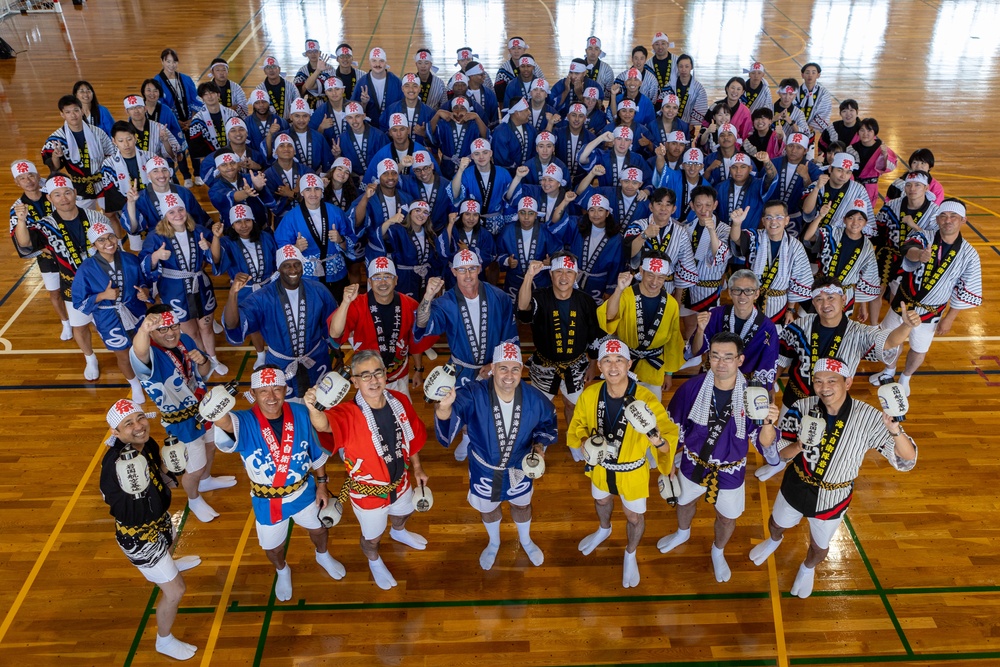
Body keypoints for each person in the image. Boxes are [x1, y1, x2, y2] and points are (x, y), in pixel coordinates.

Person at [748, 358, 917, 599]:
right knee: (776, 524)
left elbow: (907, 458)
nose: (823, 387)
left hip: (833, 496)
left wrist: (895, 430)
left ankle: (807, 568)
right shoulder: (802, 406)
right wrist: (798, 445)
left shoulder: (868, 417)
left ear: (847, 382)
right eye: (818, 381)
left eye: (831, 380)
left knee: (819, 546)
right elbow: (778, 455)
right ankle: (774, 542)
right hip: (796, 483)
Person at [211, 366, 346, 601]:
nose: (271, 397)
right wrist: (216, 402)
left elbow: (316, 452)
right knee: (272, 548)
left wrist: (322, 483)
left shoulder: (302, 413)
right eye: (263, 391)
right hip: (268, 501)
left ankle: (322, 554)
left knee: (319, 529)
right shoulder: (243, 421)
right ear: (253, 393)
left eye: (276, 389)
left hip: (304, 490)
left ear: (285, 389)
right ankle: (282, 569)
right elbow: (222, 422)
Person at [658, 332, 780, 582]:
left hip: (730, 469)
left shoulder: (753, 395)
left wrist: (768, 422)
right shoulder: (691, 388)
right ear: (708, 358)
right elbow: (674, 431)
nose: (721, 363)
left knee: (727, 517)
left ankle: (718, 549)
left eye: (728, 357)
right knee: (684, 502)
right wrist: (669, 464)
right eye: (715, 356)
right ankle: (683, 533)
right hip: (693, 462)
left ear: (740, 359)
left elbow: (764, 442)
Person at [304, 350, 430, 590]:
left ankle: (399, 531)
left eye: (377, 373)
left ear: (385, 374)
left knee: (405, 512)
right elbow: (325, 424)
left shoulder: (399, 400)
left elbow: (411, 436)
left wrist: (417, 468)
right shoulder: (347, 413)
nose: (373, 380)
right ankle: (373, 560)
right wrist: (314, 409)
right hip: (368, 493)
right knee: (371, 538)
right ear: (354, 381)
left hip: (401, 481)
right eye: (365, 375)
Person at [434, 341, 558, 570]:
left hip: (519, 467)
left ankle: (526, 539)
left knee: (521, 505)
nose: (509, 375)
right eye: (503, 368)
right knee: (488, 508)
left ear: (522, 370)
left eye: (515, 369)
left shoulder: (534, 398)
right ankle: (494, 542)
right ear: (493, 368)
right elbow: (453, 412)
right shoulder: (473, 393)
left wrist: (539, 447)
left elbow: (548, 425)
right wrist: (444, 408)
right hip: (484, 469)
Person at [568, 338, 679, 587]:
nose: (613, 366)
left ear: (629, 364)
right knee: (601, 500)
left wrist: (659, 442)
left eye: (619, 360)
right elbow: (577, 425)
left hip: (632, 469)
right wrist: (586, 440)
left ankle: (630, 552)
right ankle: (604, 528)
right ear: (599, 366)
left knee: (634, 517)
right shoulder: (590, 394)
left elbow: (668, 436)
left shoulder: (645, 398)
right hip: (601, 465)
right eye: (607, 360)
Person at [100, 398, 201, 660]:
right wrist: (136, 493)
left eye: (140, 418)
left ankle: (169, 562)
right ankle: (164, 641)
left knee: (171, 540)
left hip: (159, 519)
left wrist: (170, 467)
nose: (138, 426)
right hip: (138, 535)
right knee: (176, 590)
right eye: (128, 423)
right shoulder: (114, 465)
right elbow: (115, 504)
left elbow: (158, 470)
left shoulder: (146, 444)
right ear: (116, 432)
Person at [130, 306, 236, 523]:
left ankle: (206, 480)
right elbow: (138, 351)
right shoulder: (148, 354)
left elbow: (204, 374)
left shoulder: (185, 340)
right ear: (151, 332)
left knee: (211, 446)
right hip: (180, 421)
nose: (171, 333)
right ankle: (194, 498)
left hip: (205, 408)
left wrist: (203, 361)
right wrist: (142, 330)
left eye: (174, 326)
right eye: (162, 330)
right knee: (194, 467)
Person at [869, 200, 983, 395]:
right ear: (937, 219)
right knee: (890, 338)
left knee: (919, 347)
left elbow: (963, 290)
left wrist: (949, 318)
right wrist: (919, 254)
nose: (948, 220)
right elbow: (908, 248)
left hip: (931, 310)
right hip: (903, 302)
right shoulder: (924, 236)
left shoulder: (969, 255)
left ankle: (906, 378)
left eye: (953, 217)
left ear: (964, 220)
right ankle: (888, 370)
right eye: (944, 216)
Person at [414, 250, 519, 459]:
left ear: (479, 269)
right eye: (462, 270)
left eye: (472, 268)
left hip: (493, 366)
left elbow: (510, 336)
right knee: (461, 407)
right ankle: (467, 437)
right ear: (454, 271)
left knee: (491, 407)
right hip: (461, 367)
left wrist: (497, 365)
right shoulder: (446, 302)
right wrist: (427, 296)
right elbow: (422, 323)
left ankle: (486, 441)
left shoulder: (499, 297)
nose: (468, 274)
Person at [10, 174, 114, 379]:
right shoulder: (45, 226)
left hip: (103, 281)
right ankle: (90, 358)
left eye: (67, 192)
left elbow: (113, 244)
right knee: (80, 325)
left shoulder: (96, 218)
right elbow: (25, 244)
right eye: (57, 194)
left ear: (75, 193)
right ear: (50, 198)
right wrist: (21, 221)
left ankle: (113, 342)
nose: (64, 198)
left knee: (110, 317)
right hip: (72, 285)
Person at [223, 245, 339, 399]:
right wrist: (233, 293)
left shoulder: (318, 290)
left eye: (297, 264)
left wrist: (336, 348)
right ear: (278, 268)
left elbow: (331, 324)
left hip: (317, 360)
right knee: (289, 411)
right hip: (281, 364)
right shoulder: (262, 297)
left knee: (322, 403)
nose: (293, 270)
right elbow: (233, 325)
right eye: (287, 265)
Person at [140, 195, 227, 376]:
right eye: (171, 211)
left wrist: (209, 245)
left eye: (180, 209)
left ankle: (213, 357)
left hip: (200, 284)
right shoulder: (155, 237)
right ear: (165, 215)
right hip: (174, 288)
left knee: (206, 326)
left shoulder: (199, 231)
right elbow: (144, 264)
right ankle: (203, 359)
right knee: (191, 331)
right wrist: (156, 256)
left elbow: (217, 259)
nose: (178, 214)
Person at [517, 254, 603, 430]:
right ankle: (541, 445)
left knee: (573, 405)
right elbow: (523, 308)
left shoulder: (585, 301)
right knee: (540, 408)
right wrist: (529, 276)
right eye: (559, 272)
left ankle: (573, 441)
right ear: (551, 274)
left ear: (576, 274)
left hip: (576, 365)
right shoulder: (540, 297)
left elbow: (595, 335)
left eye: (569, 272)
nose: (564, 277)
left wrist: (593, 364)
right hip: (544, 365)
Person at [330, 257, 438, 395]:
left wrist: (418, 369)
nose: (382, 282)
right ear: (369, 281)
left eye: (387, 276)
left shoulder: (410, 305)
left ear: (396, 280)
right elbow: (335, 333)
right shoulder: (356, 305)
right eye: (376, 277)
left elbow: (415, 341)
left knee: (402, 414)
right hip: (367, 378)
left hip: (398, 376)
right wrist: (345, 303)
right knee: (368, 416)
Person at [71, 221, 151, 402]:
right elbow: (78, 301)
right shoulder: (86, 269)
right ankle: (135, 385)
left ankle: (149, 379)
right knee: (122, 353)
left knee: (144, 347)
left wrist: (145, 292)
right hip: (108, 317)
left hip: (134, 310)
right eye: (101, 240)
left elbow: (144, 282)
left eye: (111, 237)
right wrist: (101, 296)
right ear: (94, 245)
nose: (108, 242)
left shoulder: (130, 259)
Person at [599, 257, 685, 400]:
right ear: (641, 271)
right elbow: (609, 316)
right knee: (621, 409)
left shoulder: (671, 304)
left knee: (651, 413)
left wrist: (669, 374)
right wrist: (619, 290)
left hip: (654, 368)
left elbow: (673, 342)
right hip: (625, 363)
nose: (654, 282)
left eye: (660, 277)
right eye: (650, 275)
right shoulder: (626, 294)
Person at [8, 159, 71, 340]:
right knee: (54, 291)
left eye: (31, 175)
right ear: (17, 182)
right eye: (22, 178)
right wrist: (21, 220)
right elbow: (22, 241)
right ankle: (65, 322)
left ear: (38, 176)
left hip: (69, 246)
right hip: (46, 255)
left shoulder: (54, 194)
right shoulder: (17, 208)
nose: (28, 181)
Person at [209, 206, 278, 369]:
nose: (244, 225)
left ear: (253, 221)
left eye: (247, 220)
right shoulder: (227, 242)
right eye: (238, 222)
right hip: (245, 290)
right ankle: (261, 354)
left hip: (268, 286)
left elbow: (276, 259)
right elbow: (217, 260)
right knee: (253, 324)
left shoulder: (266, 237)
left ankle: (276, 351)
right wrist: (216, 238)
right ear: (232, 225)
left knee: (273, 320)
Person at [688, 270, 781, 390]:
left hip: (746, 385)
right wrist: (700, 330)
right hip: (713, 378)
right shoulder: (715, 315)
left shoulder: (767, 328)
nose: (742, 296)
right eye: (737, 290)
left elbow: (767, 367)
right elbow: (696, 351)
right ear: (730, 293)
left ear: (757, 294)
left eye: (748, 291)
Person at [728, 201, 813, 325]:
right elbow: (737, 238)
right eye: (769, 218)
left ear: (787, 220)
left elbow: (797, 280)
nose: (773, 222)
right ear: (763, 221)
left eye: (779, 217)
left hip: (778, 303)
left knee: (772, 337)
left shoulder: (795, 247)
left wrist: (790, 309)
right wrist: (736, 224)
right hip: (751, 298)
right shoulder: (755, 237)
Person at [871, 171, 939, 325]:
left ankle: (892, 329)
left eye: (917, 185)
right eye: (908, 185)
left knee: (898, 297)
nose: (912, 189)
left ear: (926, 188)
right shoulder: (891, 206)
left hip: (912, 259)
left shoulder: (934, 212)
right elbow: (878, 231)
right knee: (876, 292)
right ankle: (873, 327)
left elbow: (933, 239)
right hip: (887, 255)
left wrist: (914, 226)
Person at [274, 173, 354, 301]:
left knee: (337, 308)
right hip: (307, 275)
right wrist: (295, 248)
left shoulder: (336, 212)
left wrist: (340, 239)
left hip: (335, 271)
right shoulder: (290, 218)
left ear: (322, 191)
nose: (313, 193)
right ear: (302, 192)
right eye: (308, 189)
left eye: (317, 189)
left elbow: (350, 244)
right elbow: (281, 249)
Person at [802, 199, 881, 319]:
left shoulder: (867, 246)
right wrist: (820, 216)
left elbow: (865, 276)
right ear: (844, 219)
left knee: (838, 329)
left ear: (865, 223)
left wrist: (863, 306)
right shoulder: (832, 233)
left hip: (845, 294)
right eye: (851, 218)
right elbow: (808, 237)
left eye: (860, 219)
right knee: (810, 322)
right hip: (821, 288)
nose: (855, 222)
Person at [121, 156, 210, 251]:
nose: (161, 175)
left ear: (170, 172)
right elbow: (133, 229)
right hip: (159, 246)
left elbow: (199, 219)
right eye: (155, 171)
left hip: (188, 241)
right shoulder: (141, 198)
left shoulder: (184, 192)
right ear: (148, 176)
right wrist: (131, 203)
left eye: (164, 170)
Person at [41, 95, 116, 208]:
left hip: (102, 181)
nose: (73, 115)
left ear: (82, 111)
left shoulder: (98, 132)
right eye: (68, 112)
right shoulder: (56, 139)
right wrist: (56, 156)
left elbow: (111, 155)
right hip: (78, 185)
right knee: (83, 217)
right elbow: (54, 168)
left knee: (111, 214)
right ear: (62, 114)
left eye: (76, 110)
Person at [494, 195, 563, 298]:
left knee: (540, 311)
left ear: (536, 215)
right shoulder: (507, 231)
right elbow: (497, 254)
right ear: (518, 214)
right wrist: (507, 261)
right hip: (515, 281)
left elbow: (559, 253)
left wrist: (551, 261)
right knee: (515, 311)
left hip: (540, 281)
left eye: (530, 213)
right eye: (522, 213)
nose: (526, 217)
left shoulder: (545, 231)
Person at [561, 194, 625, 302]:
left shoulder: (616, 238)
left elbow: (617, 265)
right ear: (587, 212)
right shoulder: (579, 227)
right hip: (575, 279)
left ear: (607, 213)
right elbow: (556, 222)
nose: (596, 214)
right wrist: (565, 201)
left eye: (600, 210)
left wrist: (610, 290)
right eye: (592, 210)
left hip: (599, 285)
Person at [155, 49, 205, 187]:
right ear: (162, 62)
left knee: (194, 147)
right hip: (173, 123)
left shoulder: (186, 79)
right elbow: (160, 105)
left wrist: (193, 119)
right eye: (168, 61)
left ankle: (198, 174)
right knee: (180, 149)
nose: (172, 65)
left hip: (190, 120)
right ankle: (186, 176)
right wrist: (176, 121)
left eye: (174, 61)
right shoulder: (157, 81)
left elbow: (195, 99)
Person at [381, 199, 446, 300]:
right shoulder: (398, 230)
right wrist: (390, 221)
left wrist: (438, 279)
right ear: (410, 212)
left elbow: (436, 261)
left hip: (427, 279)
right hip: (404, 279)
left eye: (425, 212)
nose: (421, 215)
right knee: (406, 309)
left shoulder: (431, 235)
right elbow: (378, 238)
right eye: (417, 210)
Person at [801, 152, 875, 235]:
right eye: (839, 170)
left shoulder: (858, 190)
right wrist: (817, 188)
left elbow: (867, 222)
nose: (843, 176)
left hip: (842, 237)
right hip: (813, 235)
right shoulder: (818, 184)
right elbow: (807, 211)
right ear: (830, 169)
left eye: (848, 172)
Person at [352, 47, 404, 132]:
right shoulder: (362, 83)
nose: (378, 64)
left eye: (381, 61)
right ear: (369, 62)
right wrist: (364, 104)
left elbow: (404, 105)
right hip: (369, 131)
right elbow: (353, 111)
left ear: (385, 62)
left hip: (392, 129)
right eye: (374, 61)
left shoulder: (396, 82)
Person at [794, 62, 832, 137]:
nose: (810, 75)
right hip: (794, 128)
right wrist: (797, 126)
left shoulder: (823, 93)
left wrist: (810, 127)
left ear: (818, 75)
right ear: (802, 75)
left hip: (811, 129)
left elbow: (825, 112)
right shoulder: (796, 91)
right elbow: (791, 109)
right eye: (807, 72)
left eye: (813, 72)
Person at [294, 39, 335, 108]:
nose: (313, 54)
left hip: (329, 104)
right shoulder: (302, 71)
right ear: (306, 54)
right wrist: (318, 71)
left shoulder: (329, 69)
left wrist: (305, 85)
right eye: (310, 52)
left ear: (320, 53)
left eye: (315, 51)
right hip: (310, 105)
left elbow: (308, 86)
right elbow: (298, 92)